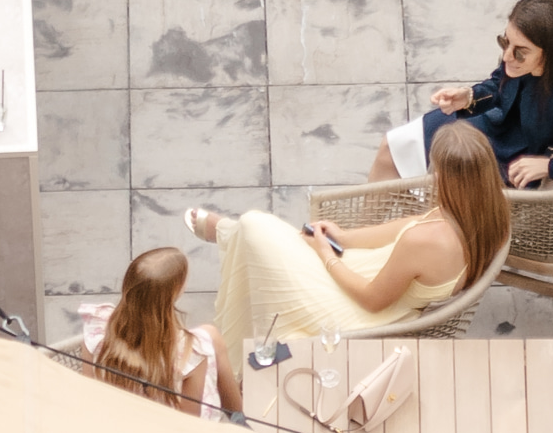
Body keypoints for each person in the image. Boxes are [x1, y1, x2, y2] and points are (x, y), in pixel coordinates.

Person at [189, 120, 508, 355]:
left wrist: (326, 253)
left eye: (435, 169)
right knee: (260, 234)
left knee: (256, 226)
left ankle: (228, 235)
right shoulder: (489, 210)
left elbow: (371, 299)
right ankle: (231, 235)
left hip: (360, 310)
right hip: (372, 272)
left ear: (448, 178)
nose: (431, 175)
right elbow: (408, 225)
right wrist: (346, 237)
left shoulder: (430, 242)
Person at [370, 0, 553, 193]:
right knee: (391, 146)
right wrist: (468, 97)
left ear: (550, 54)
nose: (507, 56)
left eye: (519, 51)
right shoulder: (516, 61)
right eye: (505, 42)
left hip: (509, 155)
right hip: (490, 126)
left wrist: (550, 165)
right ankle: (358, 237)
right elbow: (497, 86)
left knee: (440, 184)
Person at [78, 247, 222, 419]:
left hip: (112, 426)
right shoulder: (191, 353)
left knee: (210, 334)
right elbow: (190, 425)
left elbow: (89, 399)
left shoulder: (97, 330)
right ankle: (243, 420)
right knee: (212, 338)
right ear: (176, 292)